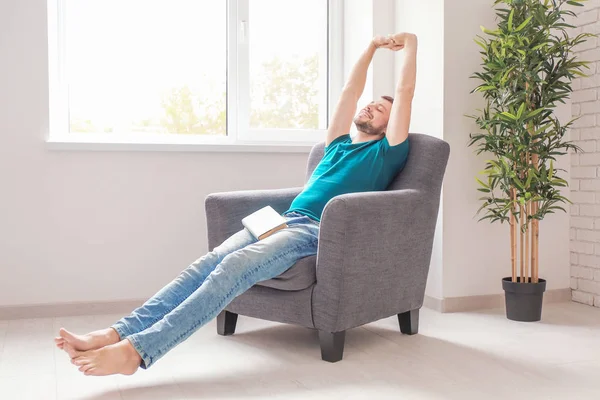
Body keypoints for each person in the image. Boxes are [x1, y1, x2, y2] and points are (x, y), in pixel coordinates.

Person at [54, 32, 418, 376]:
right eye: (372, 103)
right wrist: (370, 48)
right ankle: (115, 333)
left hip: (313, 230)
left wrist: (411, 43)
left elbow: (405, 91)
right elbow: (349, 92)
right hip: (282, 219)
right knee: (208, 263)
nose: (371, 106)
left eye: (382, 109)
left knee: (235, 266)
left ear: (391, 125)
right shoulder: (337, 144)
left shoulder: (385, 153)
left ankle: (138, 352)